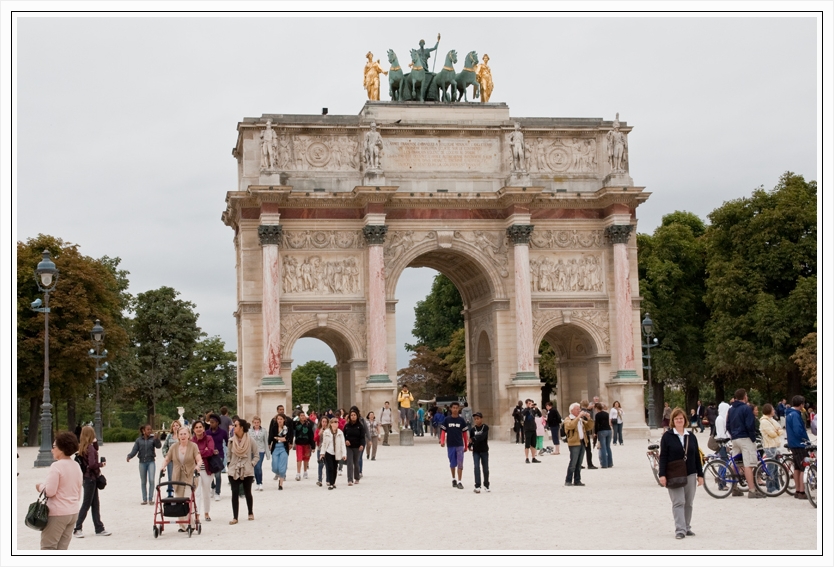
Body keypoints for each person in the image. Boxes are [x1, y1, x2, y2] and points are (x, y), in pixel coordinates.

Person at [658, 408, 704, 539]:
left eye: (681, 418)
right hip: (674, 473)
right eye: (677, 418)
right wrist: (662, 474)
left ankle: (686, 526)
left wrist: (700, 474)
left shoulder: (691, 436)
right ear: (673, 421)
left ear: (685, 420)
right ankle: (680, 529)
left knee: (688, 502)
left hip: (690, 472)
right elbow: (663, 457)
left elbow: (696, 456)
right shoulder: (667, 437)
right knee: (678, 501)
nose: (679, 420)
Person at [36, 431, 83, 549]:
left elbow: (50, 492)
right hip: (72, 512)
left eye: (54, 447)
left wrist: (40, 486)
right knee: (62, 549)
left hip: (58, 512)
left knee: (48, 547)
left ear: (61, 449)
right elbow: (78, 491)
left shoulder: (56, 466)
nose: (52, 450)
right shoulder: (76, 465)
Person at [160, 425, 202, 530]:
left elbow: (199, 459)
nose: (183, 436)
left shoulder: (193, 446)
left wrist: (197, 466)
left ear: (189, 435)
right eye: (181, 434)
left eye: (185, 434)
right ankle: (182, 525)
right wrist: (163, 467)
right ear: (178, 436)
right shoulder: (174, 447)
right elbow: (167, 458)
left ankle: (190, 524)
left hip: (190, 477)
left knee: (187, 500)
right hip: (177, 477)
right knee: (179, 501)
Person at [72, 426, 110, 538]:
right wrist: (101, 464)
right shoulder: (91, 448)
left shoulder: (83, 447)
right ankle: (77, 528)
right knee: (88, 504)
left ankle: (99, 527)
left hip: (86, 478)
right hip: (91, 478)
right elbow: (93, 464)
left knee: (94, 503)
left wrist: (95, 442)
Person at [727, 388, 764, 498]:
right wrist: (752, 438)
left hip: (735, 438)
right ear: (745, 396)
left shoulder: (731, 409)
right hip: (745, 437)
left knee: (736, 463)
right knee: (748, 464)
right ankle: (752, 490)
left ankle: (734, 487)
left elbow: (728, 425)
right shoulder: (746, 408)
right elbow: (749, 425)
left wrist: (733, 435)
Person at [227, 418, 259, 524]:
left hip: (247, 469)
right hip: (234, 469)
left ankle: (250, 512)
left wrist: (252, 464)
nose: (233, 427)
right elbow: (228, 455)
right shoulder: (231, 441)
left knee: (247, 492)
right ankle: (235, 517)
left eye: (235, 425)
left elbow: (256, 455)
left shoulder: (250, 440)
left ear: (241, 427)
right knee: (234, 492)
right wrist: (229, 464)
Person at [126, 424, 161, 505]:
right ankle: (144, 499)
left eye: (150, 429)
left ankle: (151, 498)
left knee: (151, 480)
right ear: (143, 431)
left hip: (151, 461)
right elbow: (135, 450)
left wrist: (157, 440)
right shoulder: (139, 440)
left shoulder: (153, 439)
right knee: (143, 481)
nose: (150, 431)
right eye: (148, 429)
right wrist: (129, 456)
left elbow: (158, 446)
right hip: (142, 462)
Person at [440, 401, 469, 489]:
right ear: (451, 409)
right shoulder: (447, 420)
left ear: (459, 409)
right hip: (451, 444)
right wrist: (442, 441)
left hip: (459, 444)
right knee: (452, 463)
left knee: (460, 463)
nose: (455, 409)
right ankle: (453, 479)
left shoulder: (461, 420)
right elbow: (443, 431)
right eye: (454, 408)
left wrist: (466, 445)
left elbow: (464, 433)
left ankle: (460, 481)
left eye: (457, 408)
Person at [786, 395, 810, 500]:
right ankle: (802, 491)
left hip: (792, 443)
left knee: (796, 467)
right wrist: (806, 439)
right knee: (803, 468)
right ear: (801, 404)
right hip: (799, 444)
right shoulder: (795, 415)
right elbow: (798, 430)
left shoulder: (789, 414)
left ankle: (797, 490)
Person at [191, 420, 215, 522]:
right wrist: (203, 451)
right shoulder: (192, 441)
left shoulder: (209, 438)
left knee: (206, 492)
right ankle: (197, 514)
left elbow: (210, 451)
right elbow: (191, 454)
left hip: (207, 469)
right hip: (196, 469)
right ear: (193, 429)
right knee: (197, 493)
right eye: (196, 427)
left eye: (200, 427)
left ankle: (206, 512)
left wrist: (198, 453)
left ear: (203, 428)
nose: (198, 429)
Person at [564, 403, 592, 486]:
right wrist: (578, 417)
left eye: (579, 409)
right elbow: (570, 426)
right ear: (572, 411)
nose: (579, 410)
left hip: (582, 442)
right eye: (577, 409)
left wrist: (589, 418)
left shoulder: (579, 419)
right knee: (573, 463)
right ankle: (568, 480)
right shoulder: (568, 419)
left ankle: (577, 480)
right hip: (574, 443)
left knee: (579, 463)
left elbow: (589, 426)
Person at [759, 403, 783, 494]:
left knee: (777, 468)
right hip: (769, 446)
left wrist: (777, 431)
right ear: (769, 411)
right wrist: (777, 431)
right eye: (773, 409)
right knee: (771, 468)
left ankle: (776, 486)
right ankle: (770, 487)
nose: (774, 411)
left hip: (775, 445)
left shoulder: (772, 420)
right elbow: (771, 433)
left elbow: (780, 429)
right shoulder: (764, 421)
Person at [320, 416, 346, 489]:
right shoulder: (326, 432)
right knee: (330, 467)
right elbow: (324, 443)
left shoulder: (340, 432)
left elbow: (342, 444)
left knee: (335, 468)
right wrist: (322, 453)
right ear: (331, 424)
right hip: (329, 452)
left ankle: (333, 482)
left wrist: (344, 454)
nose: (336, 423)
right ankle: (331, 483)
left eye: (337, 422)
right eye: (335, 422)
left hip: (337, 453)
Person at [206, 414, 228, 501]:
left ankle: (217, 492)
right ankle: (213, 487)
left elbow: (227, 441)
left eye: (213, 422)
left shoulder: (223, 432)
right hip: (210, 455)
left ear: (217, 423)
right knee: (210, 473)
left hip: (219, 455)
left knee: (218, 475)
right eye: (210, 422)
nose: (211, 424)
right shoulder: (207, 432)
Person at [343, 408, 365, 485]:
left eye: (354, 415)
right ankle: (349, 479)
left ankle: (356, 477)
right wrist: (345, 441)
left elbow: (362, 437)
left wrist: (362, 445)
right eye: (351, 415)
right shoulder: (346, 426)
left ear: (357, 416)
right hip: (349, 447)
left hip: (357, 446)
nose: (353, 416)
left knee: (356, 462)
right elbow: (343, 436)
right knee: (349, 462)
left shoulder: (360, 426)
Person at [268, 413, 290, 490]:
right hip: (275, 447)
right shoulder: (274, 427)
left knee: (282, 466)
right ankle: (278, 474)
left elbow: (287, 438)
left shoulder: (286, 428)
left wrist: (277, 438)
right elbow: (271, 436)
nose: (279, 420)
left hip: (284, 448)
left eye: (281, 419)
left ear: (284, 420)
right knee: (275, 466)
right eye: (278, 419)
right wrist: (269, 443)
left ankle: (281, 484)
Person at [470, 412, 490, 493]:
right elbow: (470, 440)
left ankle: (486, 484)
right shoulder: (472, 429)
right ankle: (477, 485)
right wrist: (469, 445)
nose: (476, 420)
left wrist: (474, 439)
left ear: (481, 419)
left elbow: (483, 437)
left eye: (478, 418)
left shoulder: (485, 427)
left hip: (484, 450)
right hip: (476, 451)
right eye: (475, 419)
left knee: (485, 469)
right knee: (476, 467)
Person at [161, 420, 181, 498]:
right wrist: (166, 455)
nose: (175, 427)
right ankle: (170, 492)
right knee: (170, 476)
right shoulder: (169, 436)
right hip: (171, 459)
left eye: (177, 425)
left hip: (179, 459)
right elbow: (164, 447)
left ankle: (179, 491)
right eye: (174, 425)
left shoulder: (181, 435)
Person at [293, 412, 315, 481]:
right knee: (299, 458)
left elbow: (311, 435)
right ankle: (298, 473)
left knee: (306, 458)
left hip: (307, 443)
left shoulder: (308, 424)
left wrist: (313, 446)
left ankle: (305, 471)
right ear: (299, 416)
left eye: (303, 415)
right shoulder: (296, 424)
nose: (302, 417)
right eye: (301, 415)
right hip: (299, 443)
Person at [248, 416, 268, 492]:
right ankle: (257, 482)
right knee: (255, 467)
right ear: (253, 423)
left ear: (260, 423)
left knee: (258, 466)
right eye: (255, 422)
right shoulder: (249, 431)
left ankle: (260, 483)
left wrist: (267, 453)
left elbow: (265, 442)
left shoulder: (264, 431)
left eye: (258, 422)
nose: (256, 424)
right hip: (252, 451)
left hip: (261, 450)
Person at [521, 399, 542, 464]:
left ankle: (533, 457)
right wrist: (528, 408)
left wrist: (536, 408)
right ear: (526, 404)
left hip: (533, 428)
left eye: (531, 403)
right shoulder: (525, 410)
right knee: (527, 444)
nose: (531, 404)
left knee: (533, 444)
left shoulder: (533, 411)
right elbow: (523, 414)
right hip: (527, 429)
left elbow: (540, 415)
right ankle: (527, 458)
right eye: (529, 403)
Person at [580, 399, 597, 469]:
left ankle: (579, 463)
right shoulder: (587, 413)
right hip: (585, 433)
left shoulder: (579, 412)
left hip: (579, 433)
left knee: (580, 450)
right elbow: (590, 424)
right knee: (588, 449)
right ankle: (589, 464)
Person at [594, 403, 613, 468]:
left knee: (603, 447)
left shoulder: (597, 415)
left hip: (602, 431)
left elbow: (596, 424)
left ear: (596, 408)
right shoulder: (606, 414)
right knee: (608, 447)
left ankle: (604, 464)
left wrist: (595, 433)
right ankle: (610, 463)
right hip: (609, 430)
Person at [314, 416, 330, 486]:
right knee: (320, 464)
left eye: (325, 422)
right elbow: (315, 439)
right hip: (320, 449)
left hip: (328, 449)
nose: (324, 423)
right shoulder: (318, 430)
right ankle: (319, 480)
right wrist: (319, 434)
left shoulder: (330, 430)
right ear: (321, 422)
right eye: (323, 422)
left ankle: (328, 480)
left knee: (328, 464)